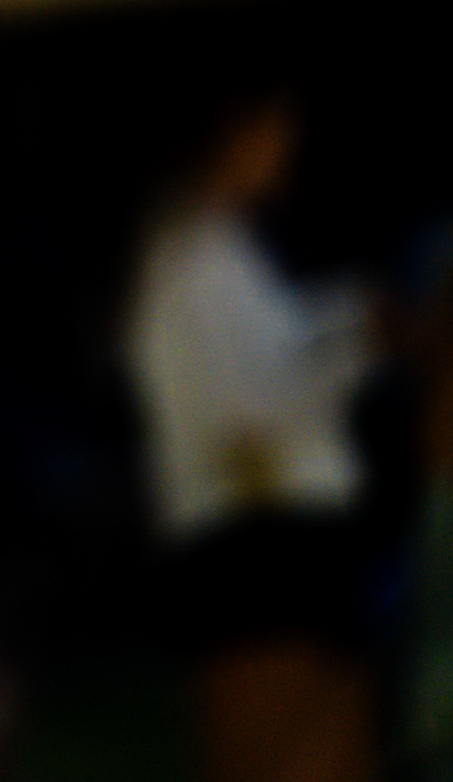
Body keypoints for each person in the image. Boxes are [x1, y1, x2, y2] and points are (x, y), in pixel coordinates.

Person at [123, 89, 379, 782]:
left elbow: (276, 361)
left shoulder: (217, 252)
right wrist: (363, 337)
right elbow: (249, 417)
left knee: (314, 742)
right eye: (270, 126)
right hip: (255, 545)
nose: (285, 143)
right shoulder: (189, 261)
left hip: (271, 543)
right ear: (227, 136)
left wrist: (353, 328)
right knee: (282, 749)